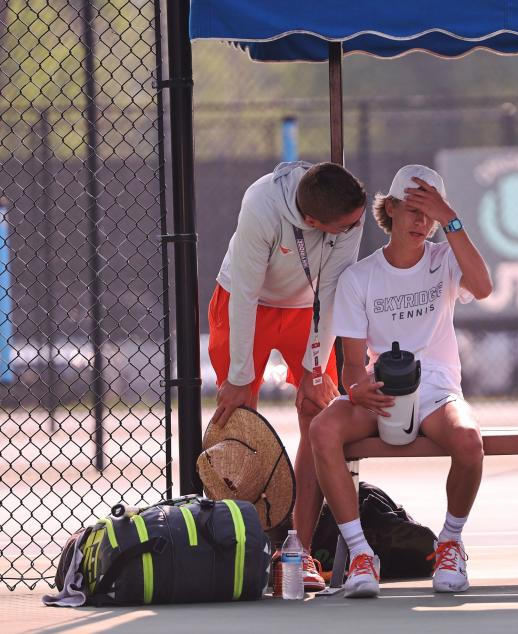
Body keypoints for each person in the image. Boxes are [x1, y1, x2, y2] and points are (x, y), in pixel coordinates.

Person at [309, 165, 493, 598]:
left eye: (430, 214)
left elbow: (483, 288)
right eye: (413, 210)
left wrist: (451, 219)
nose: (421, 223)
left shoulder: (446, 258)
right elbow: (353, 364)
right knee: (323, 429)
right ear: (389, 209)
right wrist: (356, 390)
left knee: (468, 440)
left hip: (436, 390)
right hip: (382, 392)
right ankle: (359, 553)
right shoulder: (359, 277)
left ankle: (449, 543)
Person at [207, 160, 366, 592]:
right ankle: (242, 549)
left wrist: (317, 368)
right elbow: (245, 292)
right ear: (312, 221)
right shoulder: (262, 203)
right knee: (238, 422)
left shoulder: (349, 209)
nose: (356, 228)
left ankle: (298, 551)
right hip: (246, 303)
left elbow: (331, 290)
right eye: (346, 225)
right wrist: (239, 375)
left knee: (319, 413)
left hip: (308, 309)